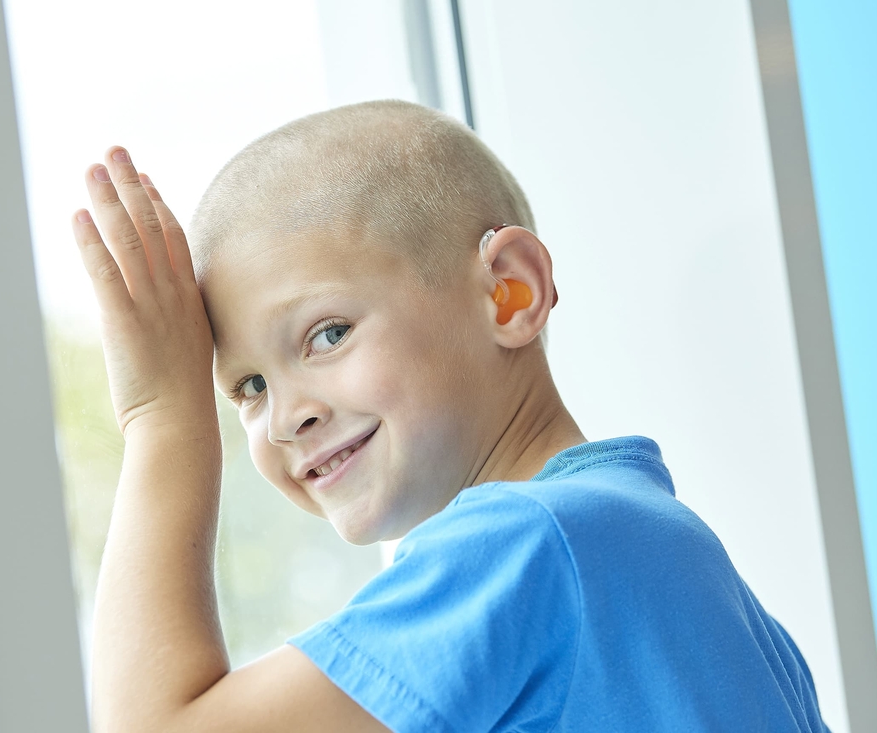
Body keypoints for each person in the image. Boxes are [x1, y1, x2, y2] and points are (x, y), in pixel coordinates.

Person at [70, 100, 828, 732]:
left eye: (327, 334)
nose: (283, 419)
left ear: (510, 293)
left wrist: (161, 418)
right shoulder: (661, 551)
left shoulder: (525, 547)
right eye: (247, 388)